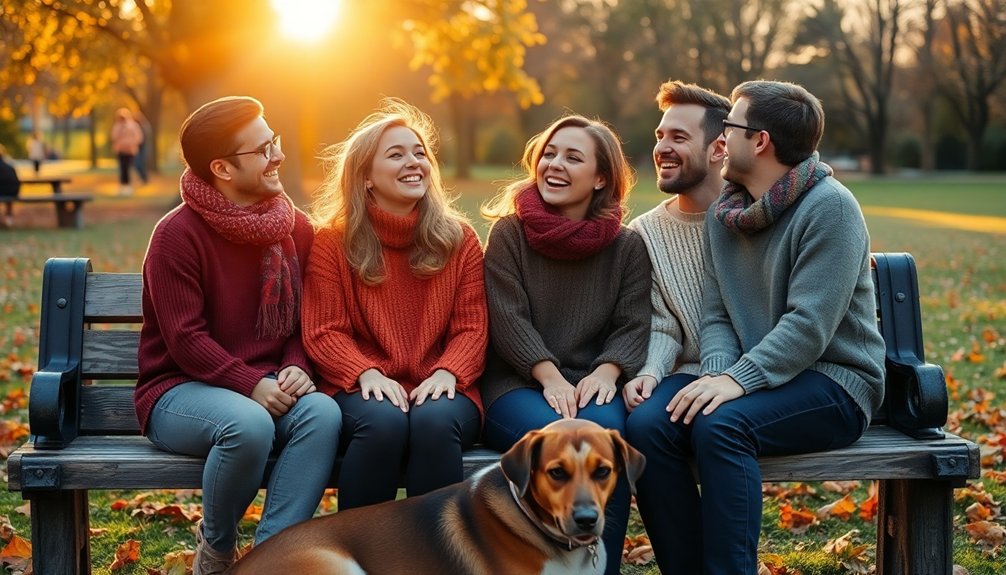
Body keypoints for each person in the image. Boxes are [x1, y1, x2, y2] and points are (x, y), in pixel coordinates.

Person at [631, 80, 887, 575]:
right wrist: (716, 374)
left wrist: (734, 383)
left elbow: (809, 326)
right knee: (648, 426)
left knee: (721, 425)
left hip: (835, 382)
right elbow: (717, 313)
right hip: (760, 377)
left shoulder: (830, 207)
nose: (722, 140)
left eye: (730, 128)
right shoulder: (727, 212)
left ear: (761, 141)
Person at [133, 96, 342, 575]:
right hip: (178, 390)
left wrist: (295, 365)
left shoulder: (294, 228)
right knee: (248, 425)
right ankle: (218, 552)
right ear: (223, 168)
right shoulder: (176, 235)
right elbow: (185, 339)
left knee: (323, 412)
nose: (278, 156)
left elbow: (301, 319)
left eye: (276, 141)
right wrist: (251, 384)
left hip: (269, 384)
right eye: (264, 148)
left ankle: (272, 559)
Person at [479, 114, 651, 575]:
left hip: (594, 383)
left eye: (572, 157)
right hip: (516, 384)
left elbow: (633, 323)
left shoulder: (626, 247)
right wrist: (549, 376)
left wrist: (608, 371)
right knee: (553, 449)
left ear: (600, 178)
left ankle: (600, 568)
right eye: (549, 154)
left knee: (603, 453)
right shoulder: (509, 234)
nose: (554, 164)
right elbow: (507, 317)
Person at [301, 98, 488, 511]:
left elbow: (472, 326)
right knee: (382, 423)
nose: (414, 162)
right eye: (397, 154)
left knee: (434, 422)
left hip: (442, 382)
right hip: (362, 384)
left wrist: (449, 371)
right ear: (366, 177)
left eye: (420, 153)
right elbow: (323, 328)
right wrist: (363, 370)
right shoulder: (334, 242)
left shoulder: (459, 239)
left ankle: (433, 554)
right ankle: (364, 554)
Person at [110, 108, 144, 195]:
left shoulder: (133, 126)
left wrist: (131, 143)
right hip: (121, 150)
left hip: (130, 150)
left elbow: (139, 137)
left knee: (128, 168)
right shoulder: (117, 126)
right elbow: (114, 136)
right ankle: (122, 186)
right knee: (122, 168)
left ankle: (128, 186)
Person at [0, 145, 20, 227]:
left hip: (4, 192)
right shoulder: (9, 166)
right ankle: (9, 221)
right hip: (13, 192)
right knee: (9, 201)